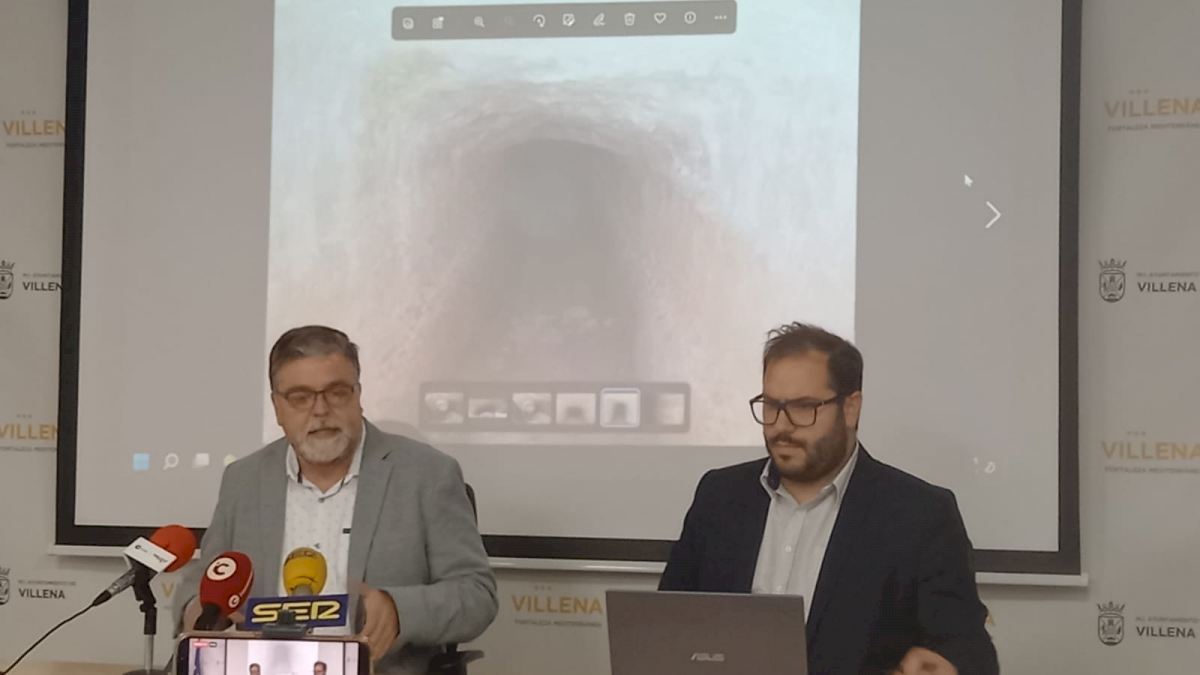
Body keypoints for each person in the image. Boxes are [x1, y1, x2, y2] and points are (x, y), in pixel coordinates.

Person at [659, 322, 998, 675]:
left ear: (851, 408)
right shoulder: (719, 496)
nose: (781, 426)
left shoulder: (919, 515)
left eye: (804, 407)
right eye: (771, 405)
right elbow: (665, 624)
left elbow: (970, 652)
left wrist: (948, 666)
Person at [178, 326, 498, 674]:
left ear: (358, 395)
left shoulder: (427, 474)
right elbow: (203, 582)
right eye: (300, 397)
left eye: (336, 392)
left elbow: (476, 594)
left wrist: (400, 609)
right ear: (277, 407)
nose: (320, 410)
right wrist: (202, 612)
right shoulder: (243, 479)